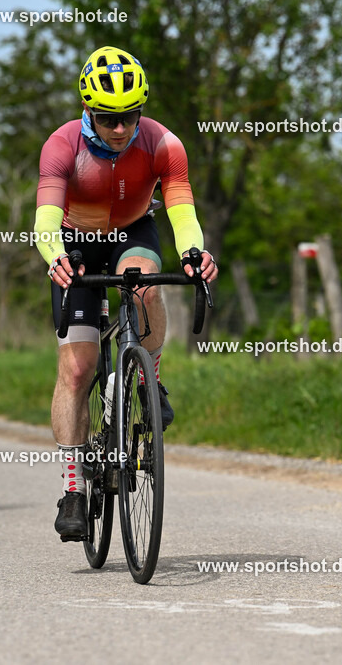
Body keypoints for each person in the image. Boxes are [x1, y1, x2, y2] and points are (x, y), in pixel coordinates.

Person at [35, 46, 218, 541]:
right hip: (76, 241)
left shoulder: (163, 143)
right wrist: (55, 256)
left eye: (129, 117)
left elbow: (180, 207)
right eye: (108, 118)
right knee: (77, 368)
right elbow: (46, 219)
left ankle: (148, 381)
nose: (120, 129)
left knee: (147, 288)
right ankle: (73, 489)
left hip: (134, 231)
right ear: (89, 111)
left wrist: (194, 252)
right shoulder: (62, 145)